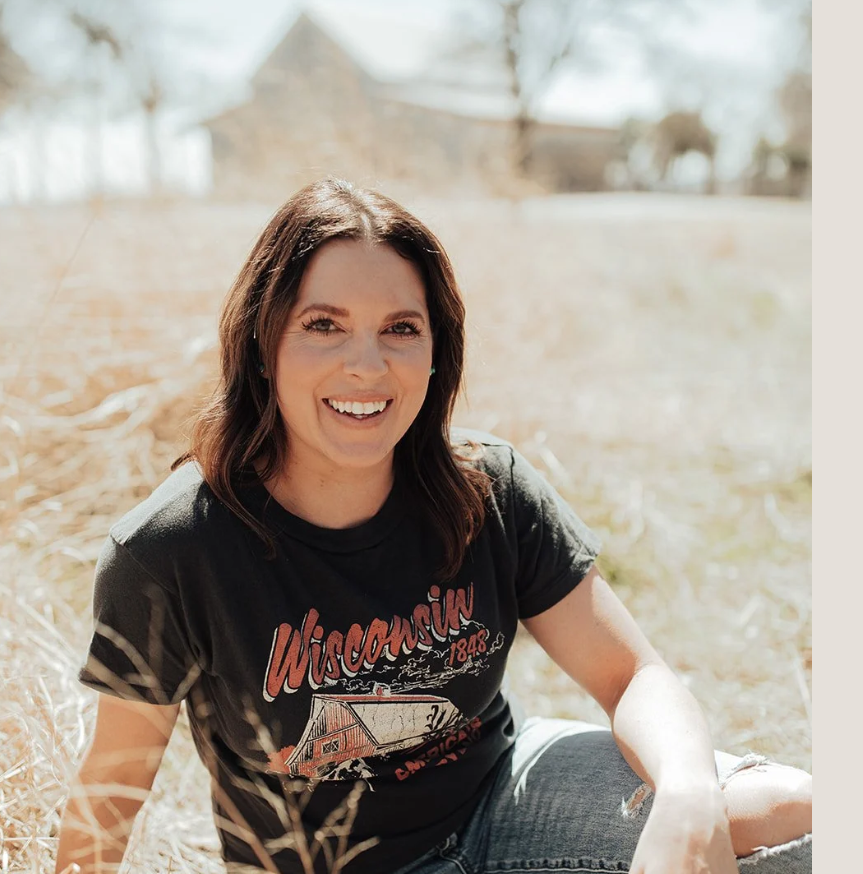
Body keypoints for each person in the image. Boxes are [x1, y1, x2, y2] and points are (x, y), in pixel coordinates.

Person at [54, 179, 813, 874]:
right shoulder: (171, 550)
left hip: (504, 799)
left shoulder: (487, 490)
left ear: (434, 350)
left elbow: (633, 675)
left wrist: (686, 793)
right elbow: (113, 791)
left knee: (795, 816)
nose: (367, 365)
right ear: (262, 342)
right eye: (324, 324)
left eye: (400, 329)